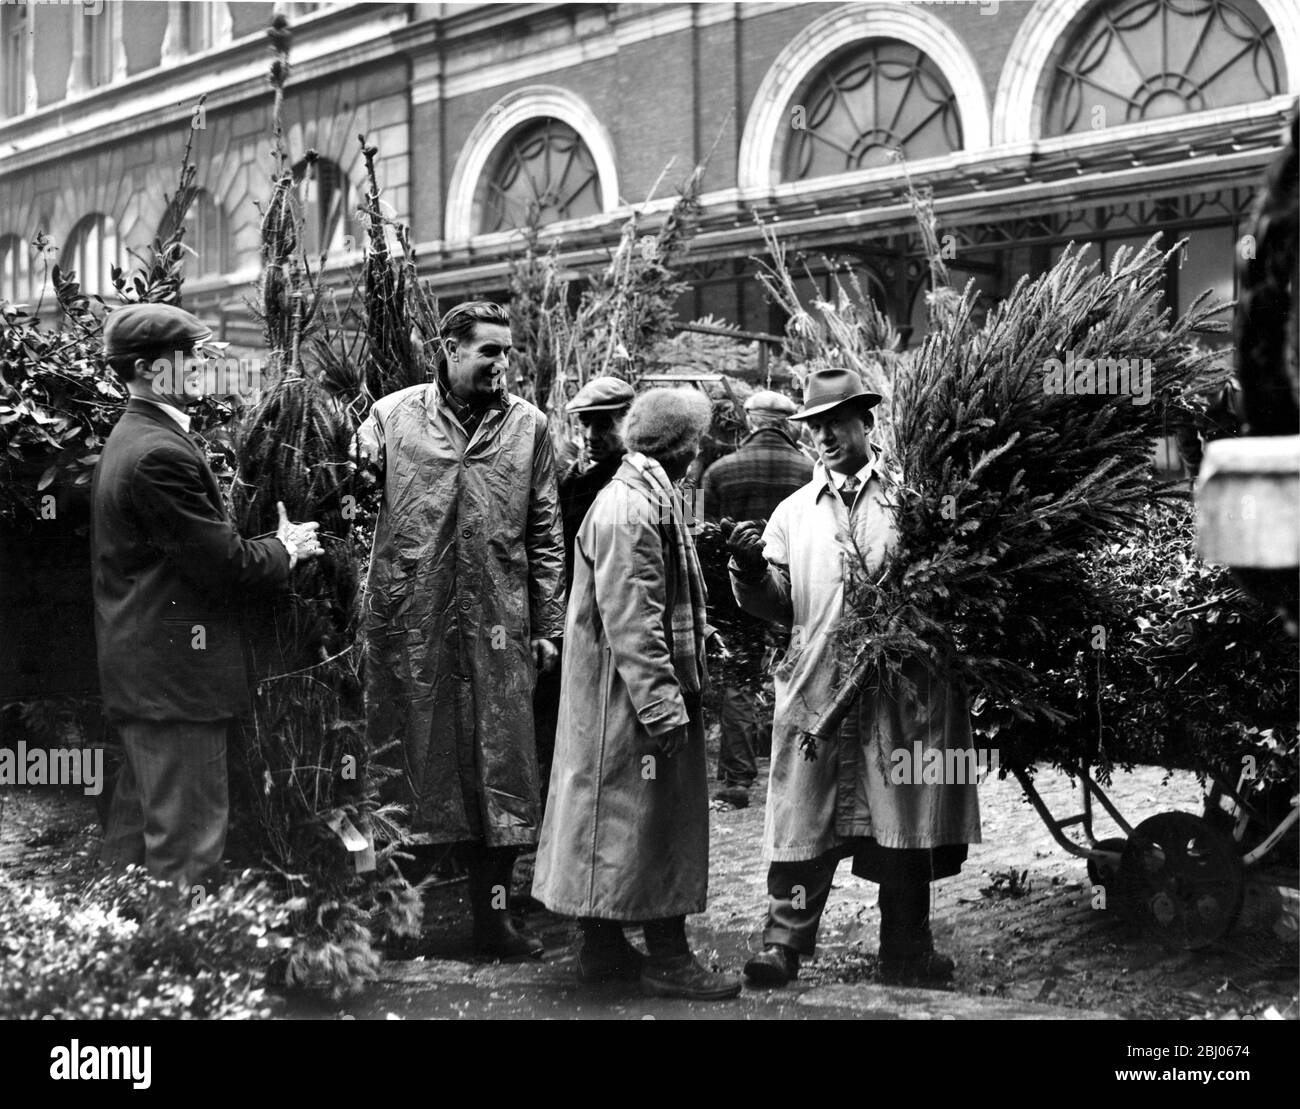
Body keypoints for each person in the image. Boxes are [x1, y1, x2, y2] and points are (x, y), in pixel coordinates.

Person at [727, 366, 981, 988]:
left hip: (901, 689)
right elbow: (778, 604)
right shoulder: (793, 513)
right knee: (802, 823)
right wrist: (748, 571)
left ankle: (906, 948)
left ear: (866, 423)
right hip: (818, 684)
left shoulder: (914, 501)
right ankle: (781, 947)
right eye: (815, 426)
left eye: (836, 423)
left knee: (903, 822)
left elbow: (952, 581)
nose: (825, 436)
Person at [356, 300, 565, 960]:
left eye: (508, 352)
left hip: (497, 626)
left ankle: (495, 919)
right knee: (408, 766)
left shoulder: (529, 427)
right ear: (448, 349)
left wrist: (549, 624)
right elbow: (353, 515)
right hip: (406, 626)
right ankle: (398, 917)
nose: (503, 364)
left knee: (496, 769)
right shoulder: (391, 418)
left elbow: (547, 533)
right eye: (489, 352)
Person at [93, 303, 323, 895]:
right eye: (190, 356)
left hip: (153, 684)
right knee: (187, 853)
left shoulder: (137, 437)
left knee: (135, 852)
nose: (204, 366)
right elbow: (224, 566)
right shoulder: (157, 454)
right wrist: (286, 547)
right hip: (177, 689)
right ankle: (183, 976)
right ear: (148, 369)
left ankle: (129, 976)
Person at [533, 387, 742, 1001]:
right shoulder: (631, 508)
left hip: (609, 695)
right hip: (625, 700)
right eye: (695, 440)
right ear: (681, 447)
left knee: (610, 820)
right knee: (650, 824)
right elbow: (633, 617)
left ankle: (601, 951)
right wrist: (662, 707)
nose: (699, 449)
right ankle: (669, 956)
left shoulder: (638, 495)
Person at [701, 390, 813, 808]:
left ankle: (736, 782)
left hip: (737, 592)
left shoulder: (716, 471)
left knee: (740, 679)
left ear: (750, 421)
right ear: (789, 424)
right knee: (802, 673)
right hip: (797, 591)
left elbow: (693, 532)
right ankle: (804, 773)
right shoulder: (810, 471)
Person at [532, 376, 635, 806]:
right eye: (585, 426)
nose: (591, 436)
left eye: (603, 425)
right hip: (569, 624)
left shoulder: (641, 483)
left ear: (629, 422)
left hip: (615, 630)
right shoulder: (570, 481)